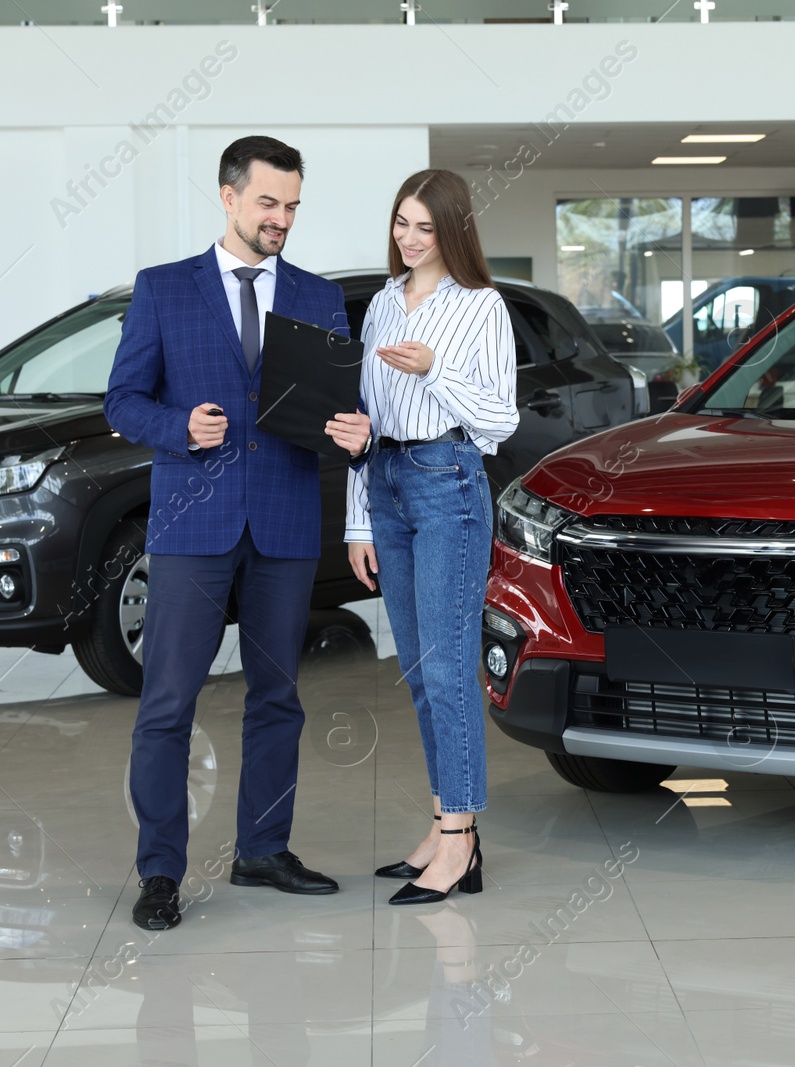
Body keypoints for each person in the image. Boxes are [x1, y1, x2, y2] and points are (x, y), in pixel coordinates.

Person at [106, 136, 347, 931]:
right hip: (191, 524)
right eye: (268, 203)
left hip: (283, 521)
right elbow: (122, 402)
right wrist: (180, 425)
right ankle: (160, 871)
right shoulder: (164, 289)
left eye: (292, 206)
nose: (281, 219)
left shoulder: (318, 298)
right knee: (168, 702)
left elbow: (329, 409)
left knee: (278, 697)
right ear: (229, 197)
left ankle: (263, 849)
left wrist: (349, 428)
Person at [325, 169, 518, 906]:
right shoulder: (379, 304)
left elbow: (499, 423)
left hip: (448, 480)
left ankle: (461, 838)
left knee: (446, 670)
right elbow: (366, 418)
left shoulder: (481, 307)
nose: (408, 239)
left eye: (424, 227)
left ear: (453, 232)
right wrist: (357, 518)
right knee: (414, 672)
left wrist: (436, 370)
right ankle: (443, 826)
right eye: (401, 223)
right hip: (387, 481)